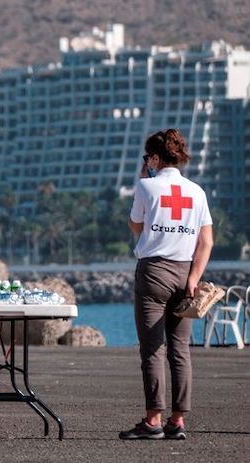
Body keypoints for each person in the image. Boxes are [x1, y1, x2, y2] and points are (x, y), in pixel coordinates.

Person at [119, 129, 213, 440]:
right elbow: (207, 241)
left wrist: (144, 179)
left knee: (152, 350)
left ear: (156, 158)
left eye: (148, 157)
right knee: (180, 349)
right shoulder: (197, 192)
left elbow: (136, 226)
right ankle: (177, 421)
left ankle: (152, 420)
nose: (146, 162)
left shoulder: (147, 186)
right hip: (186, 274)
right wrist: (194, 280)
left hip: (154, 272)